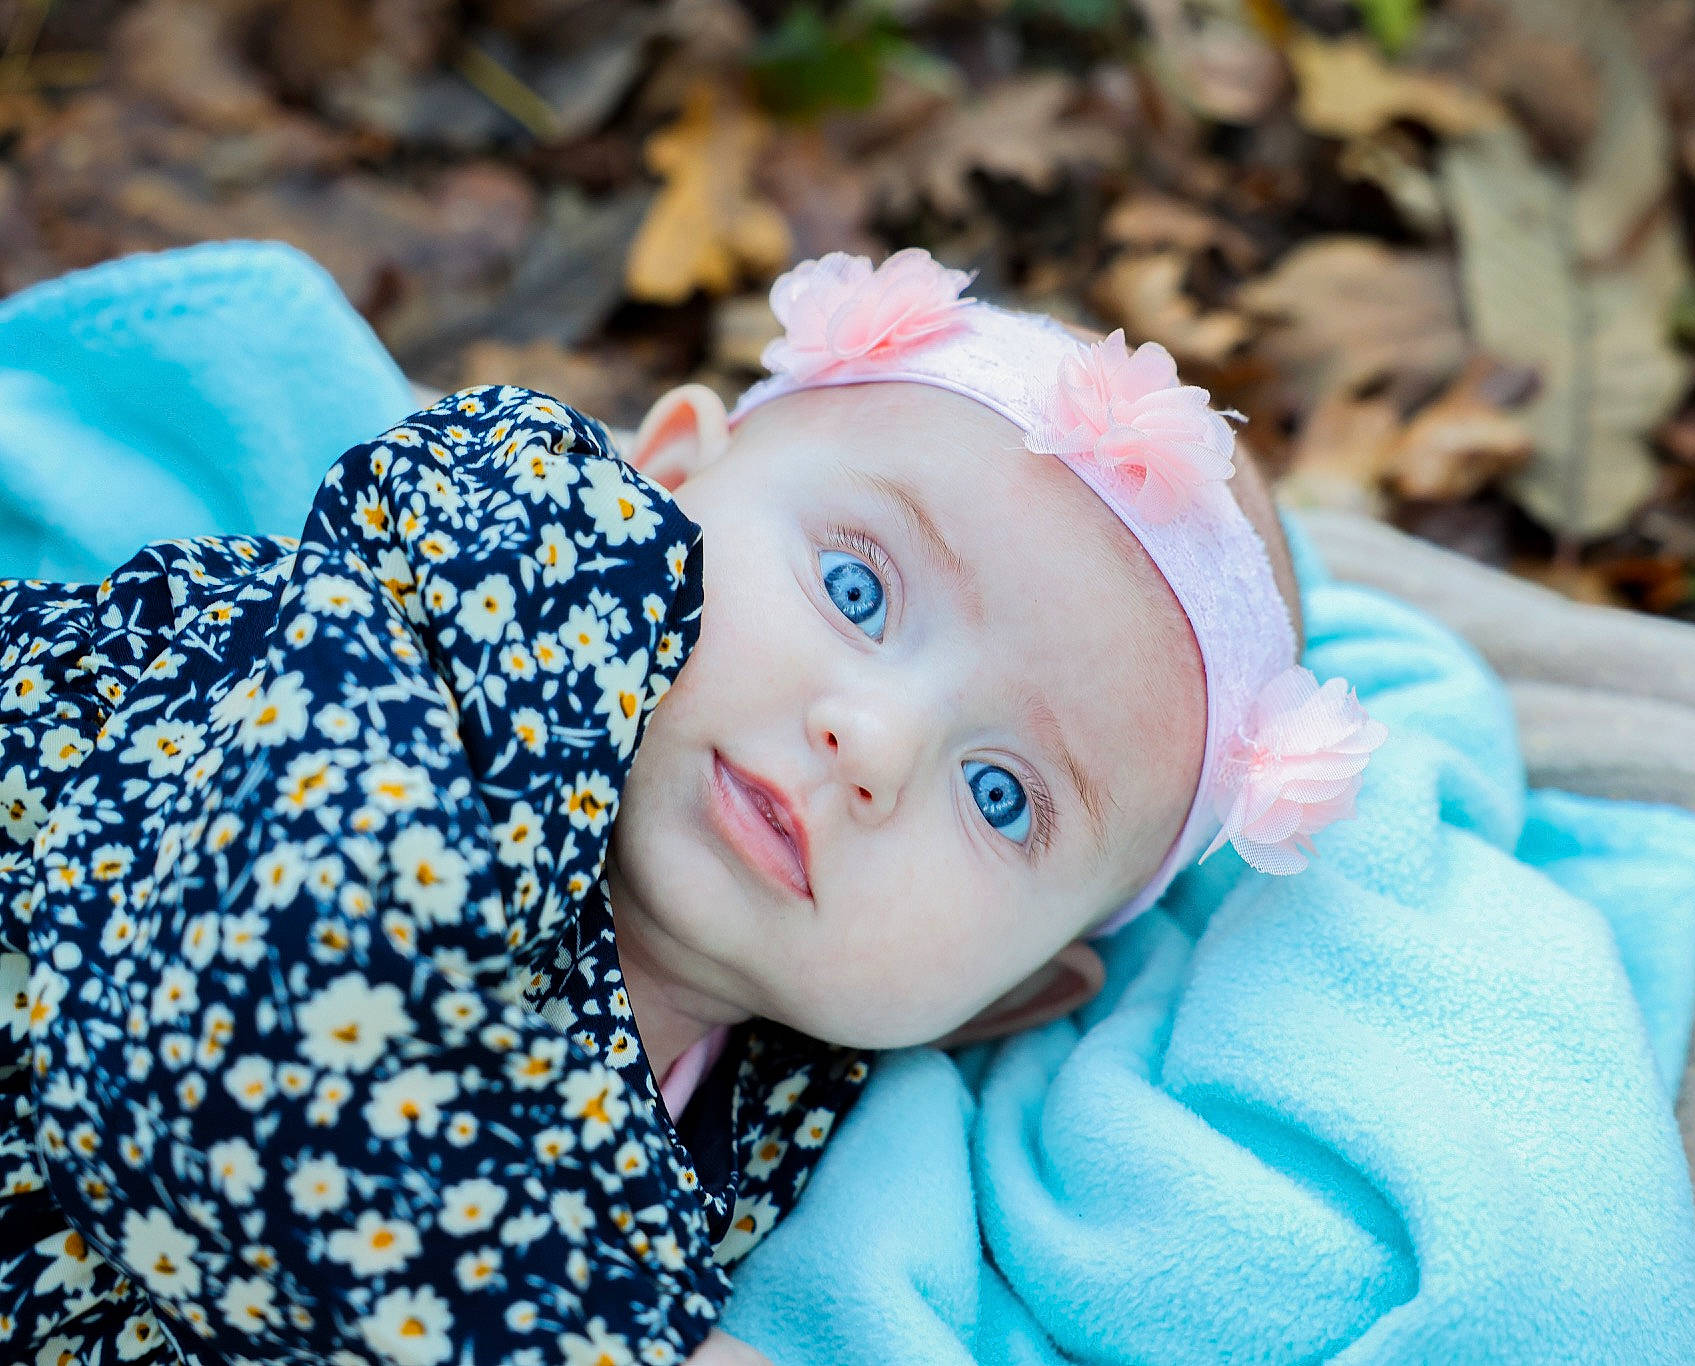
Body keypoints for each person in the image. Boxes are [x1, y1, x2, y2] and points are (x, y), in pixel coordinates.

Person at [0, 247, 1385, 1364]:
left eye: (1001, 795)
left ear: (1006, 999)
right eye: (857, 588)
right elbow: (228, 1032)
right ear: (661, 480)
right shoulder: (497, 612)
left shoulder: (762, 1127)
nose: (874, 741)